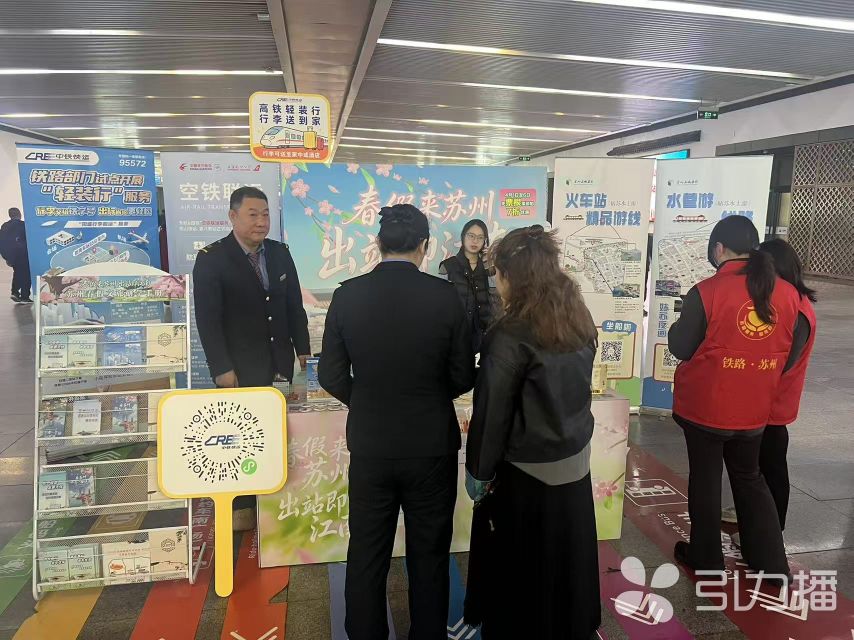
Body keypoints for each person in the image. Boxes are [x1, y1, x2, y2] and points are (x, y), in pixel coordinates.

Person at [318, 204, 475, 640]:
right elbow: (463, 374)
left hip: (372, 443)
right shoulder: (444, 296)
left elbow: (330, 374)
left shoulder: (348, 295)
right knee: (430, 553)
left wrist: (369, 401)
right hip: (431, 445)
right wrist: (429, 398)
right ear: (424, 246)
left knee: (367, 552)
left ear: (378, 243)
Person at [464, 225, 601, 640]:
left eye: (498, 273)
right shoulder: (578, 317)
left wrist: (479, 473)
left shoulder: (509, 334)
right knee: (566, 558)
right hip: (574, 462)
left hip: (525, 473)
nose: (496, 282)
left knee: (522, 567)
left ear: (513, 275)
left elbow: (492, 416)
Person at [668, 216, 803, 578]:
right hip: (756, 408)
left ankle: (706, 558)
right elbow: (789, 355)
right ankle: (771, 562)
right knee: (750, 478)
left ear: (719, 249)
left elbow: (681, 347)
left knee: (706, 478)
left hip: (706, 407)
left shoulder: (706, 291)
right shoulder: (788, 294)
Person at [193, 186, 311, 530]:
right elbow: (208, 320)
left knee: (278, 433)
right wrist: (221, 368)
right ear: (233, 216)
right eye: (253, 215)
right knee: (240, 438)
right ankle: (242, 505)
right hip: (239, 368)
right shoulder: (212, 258)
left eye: (265, 215)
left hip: (279, 363)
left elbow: (294, 307)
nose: (261, 222)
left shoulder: (279, 253)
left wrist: (303, 352)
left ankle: (276, 500)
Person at [721, 239, 817, 535]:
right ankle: (757, 521)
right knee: (760, 468)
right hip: (763, 402)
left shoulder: (796, 308)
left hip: (774, 405)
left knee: (771, 469)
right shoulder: (786, 302)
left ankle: (772, 532)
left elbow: (782, 362)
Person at [439, 219, 496, 352]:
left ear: (485, 241)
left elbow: (497, 297)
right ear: (463, 236)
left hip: (485, 334)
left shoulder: (489, 267)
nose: (475, 241)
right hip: (456, 335)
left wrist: (488, 263)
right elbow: (440, 303)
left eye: (480, 237)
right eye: (471, 236)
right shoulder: (447, 266)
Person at [0, 208, 32, 303]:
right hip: (23, 254)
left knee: (18, 273)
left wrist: (7, 257)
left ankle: (15, 292)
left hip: (11, 256)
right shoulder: (23, 225)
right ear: (19, 214)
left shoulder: (4, 226)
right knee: (26, 275)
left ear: (10, 215)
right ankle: (24, 297)